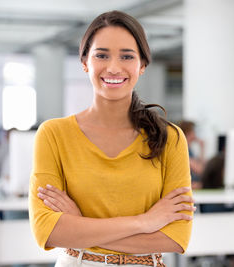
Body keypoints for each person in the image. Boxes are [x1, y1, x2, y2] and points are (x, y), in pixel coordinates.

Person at [29, 10, 194, 267]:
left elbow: (176, 238)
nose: (114, 67)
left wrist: (81, 223)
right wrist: (145, 222)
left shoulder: (169, 138)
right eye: (101, 55)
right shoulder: (54, 134)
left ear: (142, 66)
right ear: (85, 63)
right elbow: (47, 231)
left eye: (127, 56)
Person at [178, 120, 205, 189]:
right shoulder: (182, 149)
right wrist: (202, 149)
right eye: (194, 131)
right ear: (189, 133)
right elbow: (201, 170)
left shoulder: (189, 150)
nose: (195, 134)